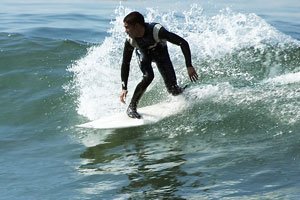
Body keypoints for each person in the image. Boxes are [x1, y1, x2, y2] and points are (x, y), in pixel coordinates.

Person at [120, 11, 198, 119]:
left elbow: (182, 42)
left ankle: (183, 92)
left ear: (136, 26)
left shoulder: (157, 31)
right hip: (144, 55)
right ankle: (131, 107)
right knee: (148, 76)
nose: (125, 31)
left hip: (160, 53)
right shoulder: (130, 41)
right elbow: (125, 63)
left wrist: (189, 66)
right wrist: (124, 87)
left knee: (173, 90)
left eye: (127, 27)